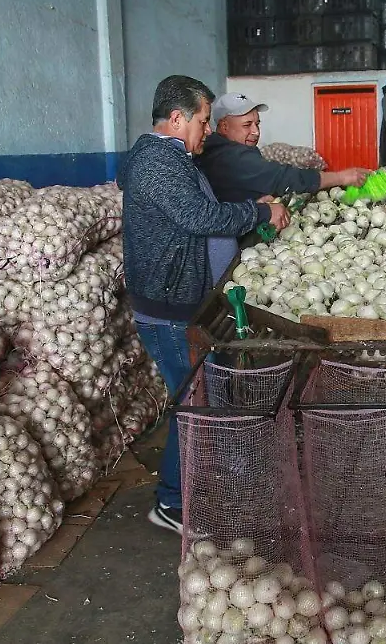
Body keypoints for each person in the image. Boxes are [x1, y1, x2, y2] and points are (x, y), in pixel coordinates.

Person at [117, 75, 291, 534]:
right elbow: (199, 217)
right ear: (177, 119)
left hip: (186, 307)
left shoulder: (174, 159)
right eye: (204, 120)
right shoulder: (158, 162)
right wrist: (259, 212)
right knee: (196, 405)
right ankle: (172, 502)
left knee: (205, 398)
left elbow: (198, 213)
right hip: (169, 312)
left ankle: (216, 486)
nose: (208, 129)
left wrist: (250, 210)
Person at [195, 92, 371, 203]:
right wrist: (341, 177)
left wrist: (254, 204)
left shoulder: (222, 149)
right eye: (247, 125)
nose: (256, 132)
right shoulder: (230, 157)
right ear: (224, 126)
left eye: (257, 124)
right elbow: (282, 177)